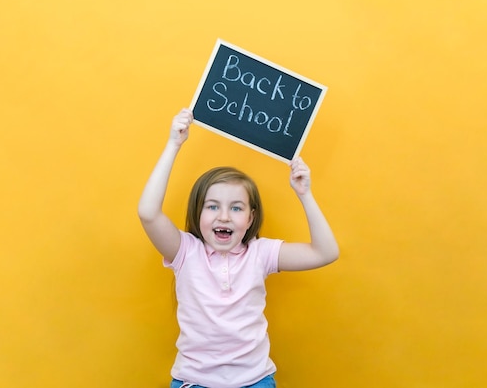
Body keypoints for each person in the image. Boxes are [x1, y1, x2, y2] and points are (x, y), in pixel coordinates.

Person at [138, 108, 339, 388]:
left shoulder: (261, 254)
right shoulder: (185, 252)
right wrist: (174, 144)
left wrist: (305, 195)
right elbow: (148, 212)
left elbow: (326, 252)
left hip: (254, 381)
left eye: (236, 208)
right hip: (194, 382)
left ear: (250, 218)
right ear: (198, 213)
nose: (224, 216)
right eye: (212, 206)